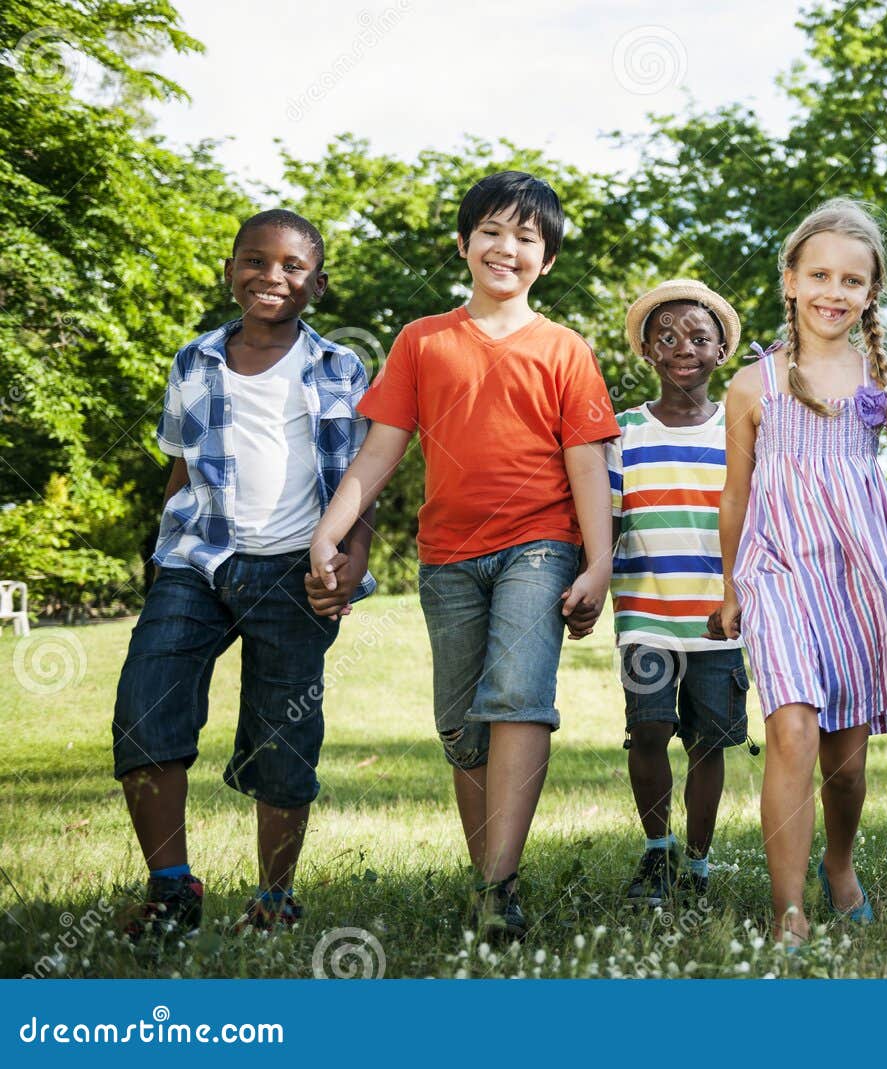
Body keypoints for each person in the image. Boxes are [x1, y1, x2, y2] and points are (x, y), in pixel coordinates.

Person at [309, 172, 620, 939]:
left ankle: (500, 889)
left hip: (540, 546)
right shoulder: (423, 340)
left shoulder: (566, 349)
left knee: (516, 695)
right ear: (463, 242)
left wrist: (598, 562)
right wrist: (331, 525)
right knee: (460, 722)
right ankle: (487, 877)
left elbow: (586, 462)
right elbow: (382, 450)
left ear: (545, 260)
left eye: (525, 237)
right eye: (491, 230)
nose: (505, 247)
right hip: (447, 555)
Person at [113, 209, 375, 939]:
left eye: (293, 266)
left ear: (317, 284)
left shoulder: (339, 368)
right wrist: (158, 556)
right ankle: (172, 889)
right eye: (256, 261)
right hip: (195, 564)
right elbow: (180, 465)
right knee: (144, 707)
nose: (272, 276)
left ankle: (275, 898)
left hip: (295, 571)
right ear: (230, 270)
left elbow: (361, 474)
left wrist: (353, 556)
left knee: (283, 734)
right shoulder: (193, 360)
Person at [717, 198, 887, 946]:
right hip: (779, 572)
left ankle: (841, 862)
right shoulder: (750, 387)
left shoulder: (882, 389)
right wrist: (730, 583)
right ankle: (787, 910)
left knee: (845, 766)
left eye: (852, 280)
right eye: (818, 273)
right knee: (791, 728)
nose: (834, 290)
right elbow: (735, 494)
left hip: (862, 582)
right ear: (789, 280)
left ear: (870, 294)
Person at [608, 280, 748, 905]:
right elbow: (607, 522)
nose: (683, 346)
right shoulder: (622, 433)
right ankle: (656, 853)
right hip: (644, 612)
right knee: (649, 728)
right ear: (647, 350)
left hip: (719, 617)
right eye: (666, 336)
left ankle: (698, 861)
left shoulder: (743, 433)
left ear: (721, 351)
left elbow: (758, 523)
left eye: (698, 336)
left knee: (709, 741)